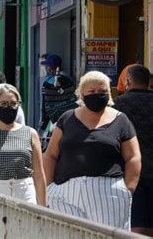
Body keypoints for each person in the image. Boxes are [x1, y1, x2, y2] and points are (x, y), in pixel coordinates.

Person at [43, 71, 141, 229]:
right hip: (65, 192)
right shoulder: (67, 118)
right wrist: (47, 188)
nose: (97, 95)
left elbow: (133, 157)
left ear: (109, 94)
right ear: (81, 94)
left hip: (108, 192)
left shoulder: (121, 120)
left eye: (102, 92)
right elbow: (51, 155)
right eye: (92, 91)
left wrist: (127, 190)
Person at [114, 65, 153, 235]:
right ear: (149, 83)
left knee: (134, 220)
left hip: (129, 171)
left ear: (128, 81)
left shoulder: (117, 106)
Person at [38, 54, 77, 137]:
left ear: (51, 67)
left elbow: (46, 104)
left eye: (47, 65)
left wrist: (42, 122)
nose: (46, 68)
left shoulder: (51, 81)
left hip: (54, 119)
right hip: (69, 117)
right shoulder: (67, 77)